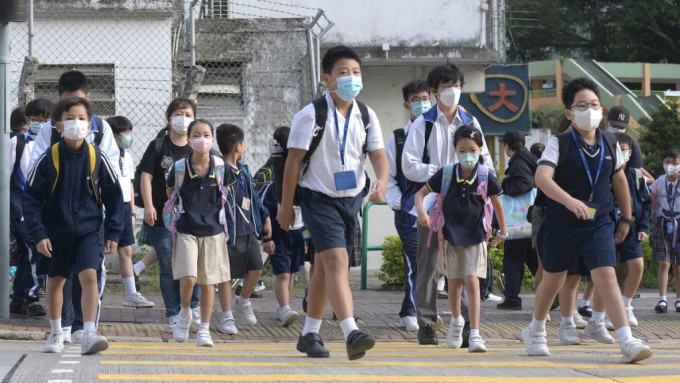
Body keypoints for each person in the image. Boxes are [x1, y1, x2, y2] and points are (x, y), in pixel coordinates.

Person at [522, 77, 652, 363]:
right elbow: (541, 178)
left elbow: (619, 180)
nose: (589, 110)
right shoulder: (560, 142)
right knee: (554, 278)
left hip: (599, 221)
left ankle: (627, 340)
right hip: (561, 222)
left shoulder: (610, 142)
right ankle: (536, 330)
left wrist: (627, 219)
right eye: (581, 105)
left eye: (593, 104)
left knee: (606, 274)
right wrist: (569, 200)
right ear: (569, 113)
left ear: (602, 110)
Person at [277, 45, 388, 360]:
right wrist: (286, 206)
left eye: (356, 72)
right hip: (318, 198)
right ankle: (351, 331)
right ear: (327, 79)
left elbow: (378, 156)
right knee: (337, 261)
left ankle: (309, 334)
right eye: (343, 72)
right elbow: (293, 163)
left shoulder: (366, 115)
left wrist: (381, 180)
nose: (351, 78)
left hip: (351, 199)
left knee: (326, 267)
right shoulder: (310, 114)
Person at [23, 97, 125, 355]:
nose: (76, 123)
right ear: (58, 126)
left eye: (81, 119)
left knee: (89, 275)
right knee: (56, 280)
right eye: (69, 119)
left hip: (90, 230)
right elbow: (31, 199)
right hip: (55, 231)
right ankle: (57, 332)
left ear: (90, 125)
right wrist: (38, 234)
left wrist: (114, 231)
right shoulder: (49, 157)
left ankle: (89, 332)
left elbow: (115, 196)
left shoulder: (97, 156)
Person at [401, 63, 493, 345]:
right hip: (432, 206)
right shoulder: (423, 123)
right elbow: (409, 166)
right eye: (445, 87)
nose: (452, 91)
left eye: (457, 86)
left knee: (466, 269)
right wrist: (443, 173)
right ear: (434, 91)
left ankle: (465, 324)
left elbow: (485, 162)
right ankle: (427, 323)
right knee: (428, 267)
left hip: (467, 207)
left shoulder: (471, 122)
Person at [415, 124, 507, 353]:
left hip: (476, 237)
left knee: (473, 283)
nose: (468, 155)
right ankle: (456, 322)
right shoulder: (446, 173)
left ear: (480, 150)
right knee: (454, 288)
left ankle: (475, 333)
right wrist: (421, 211)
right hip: (449, 237)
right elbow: (420, 194)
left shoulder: (485, 175)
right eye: (463, 150)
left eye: (473, 150)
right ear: (455, 149)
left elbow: (497, 204)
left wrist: (502, 231)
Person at [165, 119, 231, 347]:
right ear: (189, 139)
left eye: (205, 134)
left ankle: (204, 329)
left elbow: (226, 195)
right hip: (186, 230)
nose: (201, 139)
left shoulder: (222, 167)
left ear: (212, 138)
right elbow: (170, 193)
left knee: (208, 283)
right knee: (189, 277)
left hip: (213, 231)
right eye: (196, 134)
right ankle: (184, 314)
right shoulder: (179, 167)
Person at [138, 98, 201, 333]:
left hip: (192, 219)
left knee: (193, 267)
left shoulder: (198, 147)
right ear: (169, 118)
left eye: (187, 114)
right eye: (178, 113)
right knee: (167, 265)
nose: (182, 118)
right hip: (161, 217)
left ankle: (193, 308)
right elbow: (146, 176)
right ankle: (174, 314)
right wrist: (147, 206)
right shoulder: (158, 146)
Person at [214, 123, 272, 332]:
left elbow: (254, 198)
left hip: (249, 230)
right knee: (226, 275)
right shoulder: (219, 170)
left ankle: (243, 300)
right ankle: (226, 316)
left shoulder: (244, 170)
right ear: (237, 146)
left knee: (256, 268)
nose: (244, 146)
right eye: (243, 143)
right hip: (229, 232)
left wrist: (265, 218)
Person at [385, 79, 431, 332]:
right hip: (408, 213)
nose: (421, 104)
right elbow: (389, 176)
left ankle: (410, 310)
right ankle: (413, 312)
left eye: (425, 99)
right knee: (416, 261)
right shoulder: (399, 139)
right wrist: (398, 204)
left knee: (432, 264)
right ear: (406, 104)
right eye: (416, 100)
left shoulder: (440, 133)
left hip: (437, 211)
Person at [599, 133, 650, 329]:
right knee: (606, 271)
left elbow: (645, 202)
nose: (622, 152)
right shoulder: (603, 172)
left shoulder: (636, 175)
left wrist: (643, 227)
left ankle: (627, 305)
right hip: (608, 225)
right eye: (618, 148)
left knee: (637, 266)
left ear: (631, 151)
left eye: (625, 149)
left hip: (632, 226)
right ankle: (604, 314)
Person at [9, 99, 52, 317]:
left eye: (46, 119)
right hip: (22, 211)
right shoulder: (16, 144)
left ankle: (18, 298)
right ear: (27, 120)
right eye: (36, 120)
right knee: (35, 250)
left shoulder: (55, 145)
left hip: (45, 210)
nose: (41, 124)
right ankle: (31, 296)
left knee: (30, 254)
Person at [106, 116, 154, 308]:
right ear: (113, 136)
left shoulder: (127, 156)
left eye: (129, 132)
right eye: (125, 133)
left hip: (125, 207)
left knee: (125, 250)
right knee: (101, 250)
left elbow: (130, 185)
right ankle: (95, 292)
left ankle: (131, 293)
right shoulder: (104, 154)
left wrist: (133, 212)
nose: (128, 137)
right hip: (108, 208)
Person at [262, 126, 304, 327]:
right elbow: (265, 212)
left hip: (297, 234)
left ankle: (283, 305)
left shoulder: (303, 180)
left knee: (292, 272)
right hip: (278, 234)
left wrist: (306, 237)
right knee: (282, 273)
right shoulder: (273, 186)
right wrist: (267, 238)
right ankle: (285, 307)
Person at [496, 130, 539, 310]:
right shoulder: (530, 159)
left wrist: (505, 182)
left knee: (513, 260)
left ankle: (512, 299)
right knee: (534, 260)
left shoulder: (519, 162)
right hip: (530, 220)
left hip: (518, 221)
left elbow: (524, 184)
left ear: (508, 146)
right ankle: (554, 295)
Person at [649, 148, 680, 314]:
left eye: (675, 163)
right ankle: (662, 299)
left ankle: (678, 300)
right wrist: (653, 224)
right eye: (668, 162)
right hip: (663, 223)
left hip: (679, 223)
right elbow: (652, 204)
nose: (671, 166)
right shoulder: (659, 182)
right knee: (664, 262)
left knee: (678, 265)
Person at [604, 106, 653, 185]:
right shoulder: (599, 139)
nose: (618, 130)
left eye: (621, 127)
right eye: (615, 126)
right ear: (607, 120)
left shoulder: (631, 144)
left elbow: (636, 170)